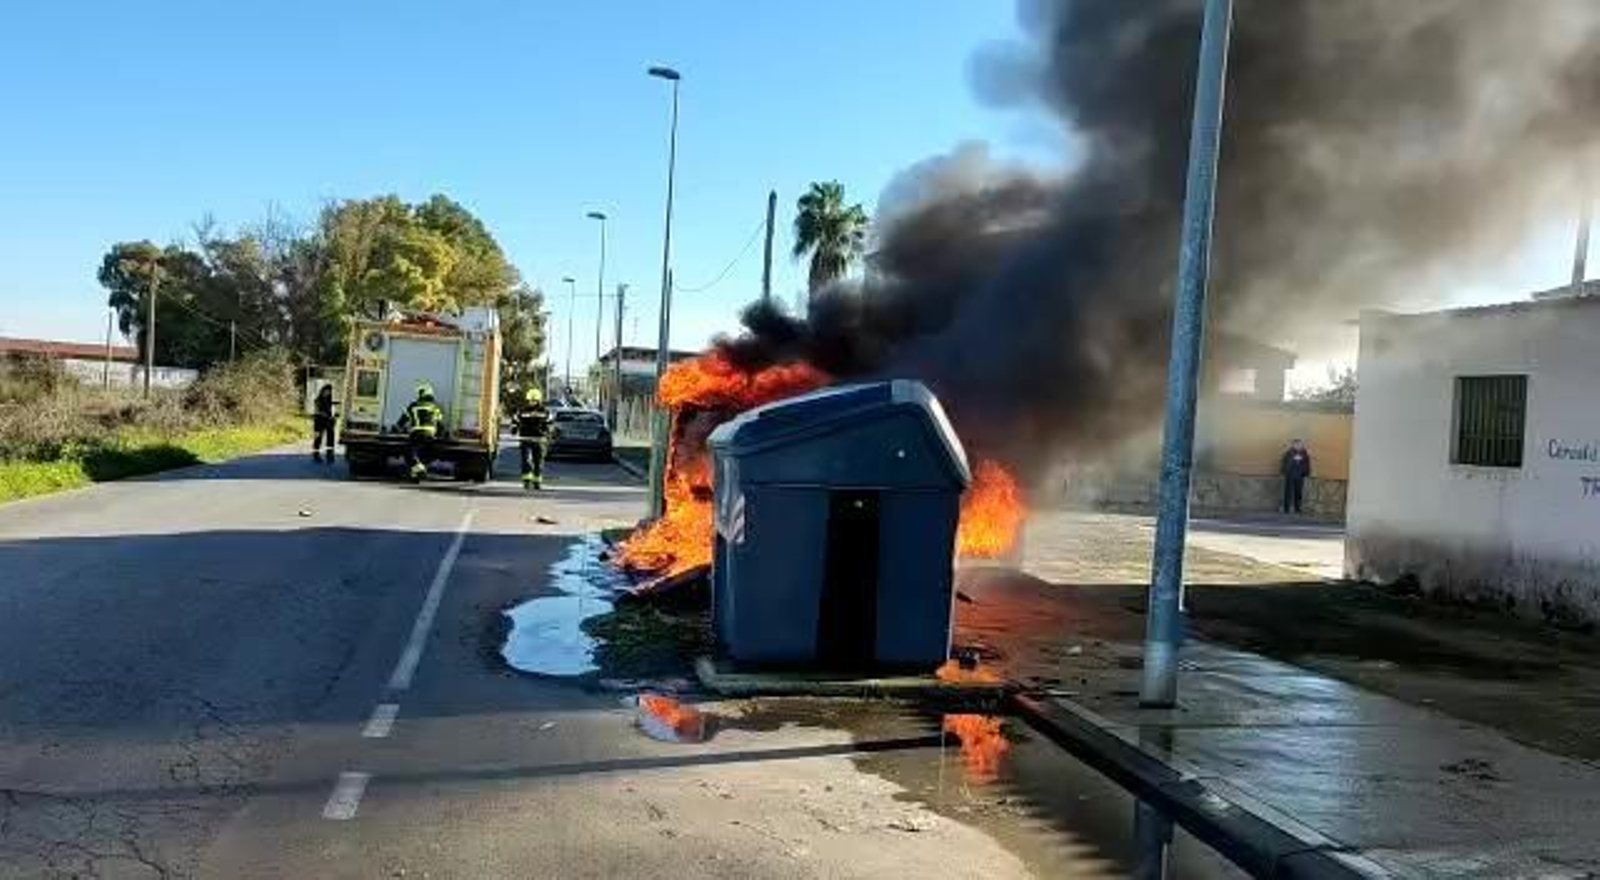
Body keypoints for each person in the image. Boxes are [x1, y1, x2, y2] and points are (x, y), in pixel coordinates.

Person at [398, 382, 444, 483]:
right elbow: (441, 425)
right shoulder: (435, 407)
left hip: (416, 434)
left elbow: (401, 421)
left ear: (421, 394)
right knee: (427, 454)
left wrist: (398, 428)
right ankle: (416, 473)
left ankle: (419, 469)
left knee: (407, 452)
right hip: (430, 436)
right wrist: (439, 436)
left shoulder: (413, 406)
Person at [515, 387, 551, 490]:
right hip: (525, 438)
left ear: (538, 400)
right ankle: (526, 480)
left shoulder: (545, 411)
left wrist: (548, 432)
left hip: (539, 439)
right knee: (526, 460)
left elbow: (550, 424)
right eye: (530, 400)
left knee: (538, 462)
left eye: (534, 400)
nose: (532, 402)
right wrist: (514, 428)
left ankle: (537, 482)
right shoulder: (522, 411)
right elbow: (515, 420)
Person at [1280, 438, 1312, 514]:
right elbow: (1285, 463)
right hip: (1290, 475)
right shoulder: (1289, 453)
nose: (1298, 446)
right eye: (1296, 444)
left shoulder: (1304, 453)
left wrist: (1306, 472)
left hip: (1299, 475)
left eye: (1300, 444)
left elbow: (1307, 464)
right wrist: (1285, 472)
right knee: (1288, 492)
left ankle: (1297, 508)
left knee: (1298, 493)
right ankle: (1286, 508)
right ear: (1293, 445)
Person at [311, 384, 337, 463]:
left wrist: (333, 416)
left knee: (330, 438)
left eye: (329, 391)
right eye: (327, 391)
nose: (328, 392)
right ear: (322, 391)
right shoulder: (318, 400)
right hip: (318, 422)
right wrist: (325, 414)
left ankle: (330, 455)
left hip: (328, 422)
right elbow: (317, 411)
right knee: (317, 438)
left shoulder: (330, 400)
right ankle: (316, 455)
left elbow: (332, 410)